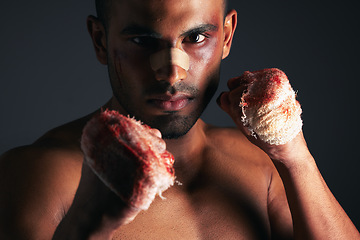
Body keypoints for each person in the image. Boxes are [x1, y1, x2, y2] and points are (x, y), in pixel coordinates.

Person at [0, 0, 359, 239]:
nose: (172, 74)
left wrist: (294, 156)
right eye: (142, 40)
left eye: (197, 37)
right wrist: (89, 221)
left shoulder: (263, 165)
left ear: (227, 35)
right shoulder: (39, 173)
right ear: (101, 41)